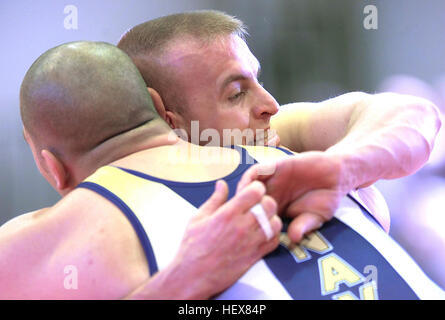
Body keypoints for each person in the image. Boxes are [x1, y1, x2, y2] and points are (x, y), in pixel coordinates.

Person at [2, 41, 443, 300]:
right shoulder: (285, 153)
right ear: (161, 110)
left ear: (52, 168)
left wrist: (177, 285)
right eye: (235, 91)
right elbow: (418, 116)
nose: (267, 105)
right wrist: (346, 168)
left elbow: (411, 110)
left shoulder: (46, 244)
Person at [117, 10, 443, 237]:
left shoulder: (272, 134)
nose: (271, 105)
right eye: (235, 94)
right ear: (165, 118)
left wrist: (340, 168)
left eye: (257, 80)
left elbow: (417, 114)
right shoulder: (127, 222)